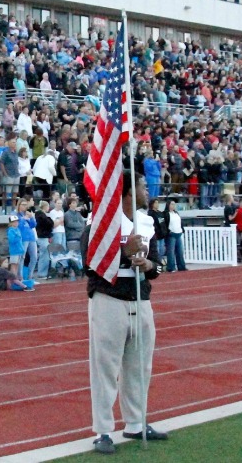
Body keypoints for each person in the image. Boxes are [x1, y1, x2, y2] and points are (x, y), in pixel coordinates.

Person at [84, 172, 166, 454]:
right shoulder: (102, 222)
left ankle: (136, 422)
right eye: (143, 186)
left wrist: (148, 265)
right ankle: (104, 430)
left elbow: (157, 266)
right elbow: (89, 261)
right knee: (105, 367)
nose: (148, 190)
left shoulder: (146, 222)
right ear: (129, 192)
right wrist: (122, 252)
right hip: (110, 299)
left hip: (141, 300)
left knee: (140, 367)